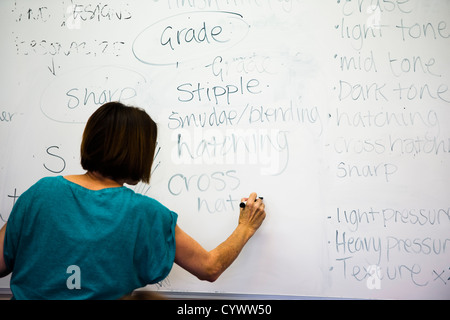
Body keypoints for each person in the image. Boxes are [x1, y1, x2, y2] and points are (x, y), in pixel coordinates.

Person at [0, 102, 266, 299]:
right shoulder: (146, 214)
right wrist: (245, 227)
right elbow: (210, 268)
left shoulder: (40, 192)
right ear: (141, 153)